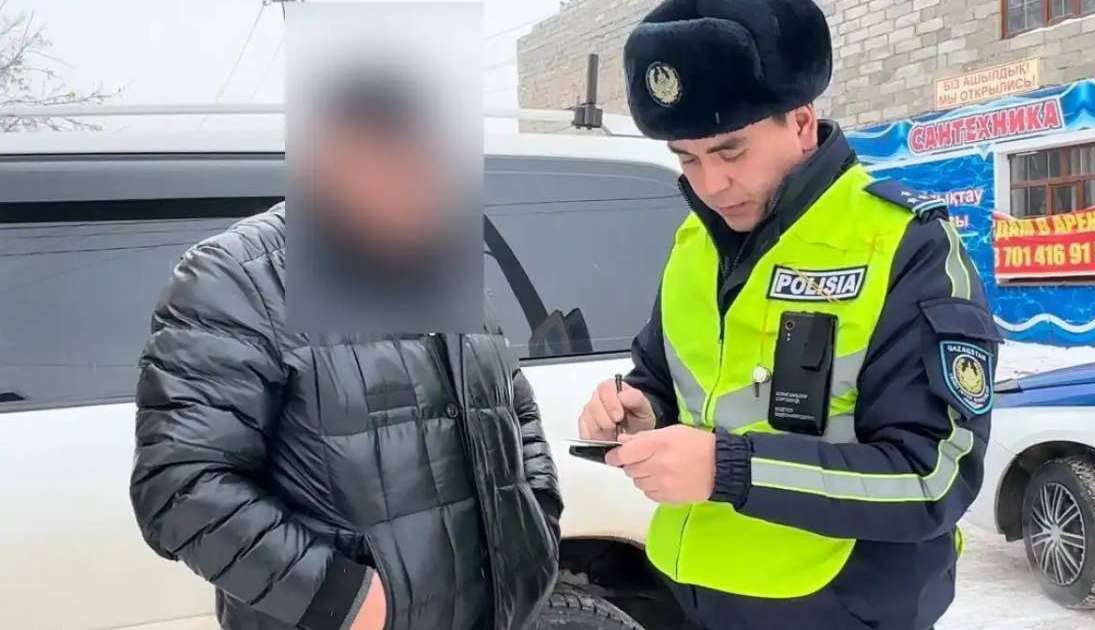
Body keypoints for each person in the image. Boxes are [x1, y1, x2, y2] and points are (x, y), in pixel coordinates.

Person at [577, 1, 999, 629]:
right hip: (695, 601)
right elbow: (668, 378)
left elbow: (932, 477)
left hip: (842, 611)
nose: (711, 185)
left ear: (801, 123)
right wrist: (641, 407)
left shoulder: (904, 246)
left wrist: (728, 470)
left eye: (730, 151)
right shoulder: (695, 245)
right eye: (687, 159)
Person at [129, 73, 561, 630]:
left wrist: (538, 517)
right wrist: (341, 598)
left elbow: (513, 406)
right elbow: (179, 483)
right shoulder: (238, 278)